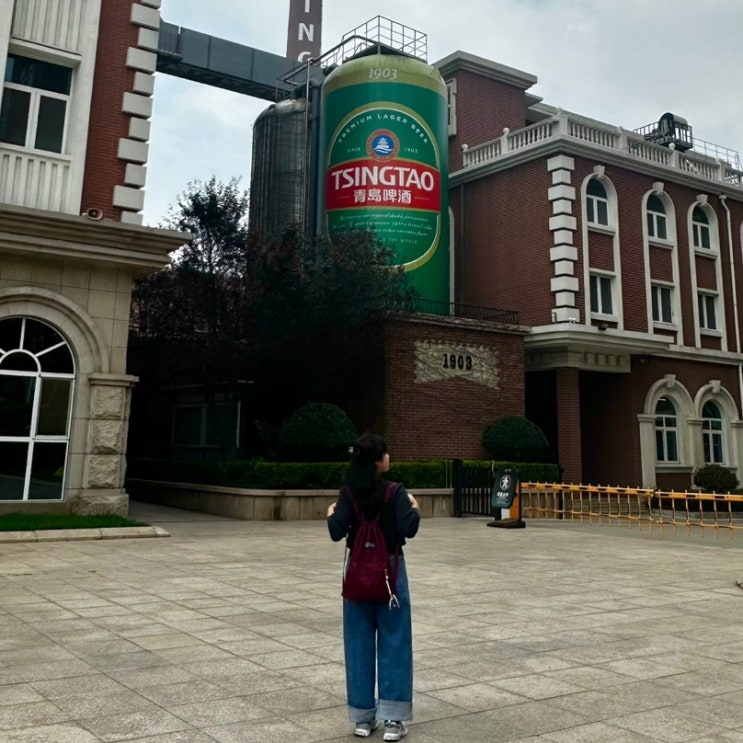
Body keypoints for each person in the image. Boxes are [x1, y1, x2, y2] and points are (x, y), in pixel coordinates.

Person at [327, 433, 420, 741]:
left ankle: (363, 719)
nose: (389, 458)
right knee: (395, 641)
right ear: (379, 461)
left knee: (358, 643)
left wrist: (330, 513)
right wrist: (414, 508)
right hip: (390, 572)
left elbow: (336, 531)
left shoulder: (348, 493)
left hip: (357, 574)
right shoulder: (395, 492)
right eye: (386, 454)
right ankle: (393, 719)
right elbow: (410, 528)